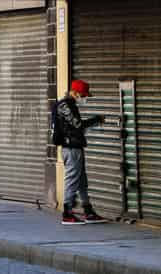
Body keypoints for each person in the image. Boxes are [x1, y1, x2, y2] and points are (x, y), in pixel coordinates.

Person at [55, 80, 107, 225]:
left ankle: (88, 211)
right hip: (71, 148)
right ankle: (67, 213)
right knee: (72, 180)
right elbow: (78, 125)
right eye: (83, 95)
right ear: (75, 93)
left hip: (75, 147)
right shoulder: (65, 105)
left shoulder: (70, 105)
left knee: (81, 181)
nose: (84, 98)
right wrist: (96, 120)